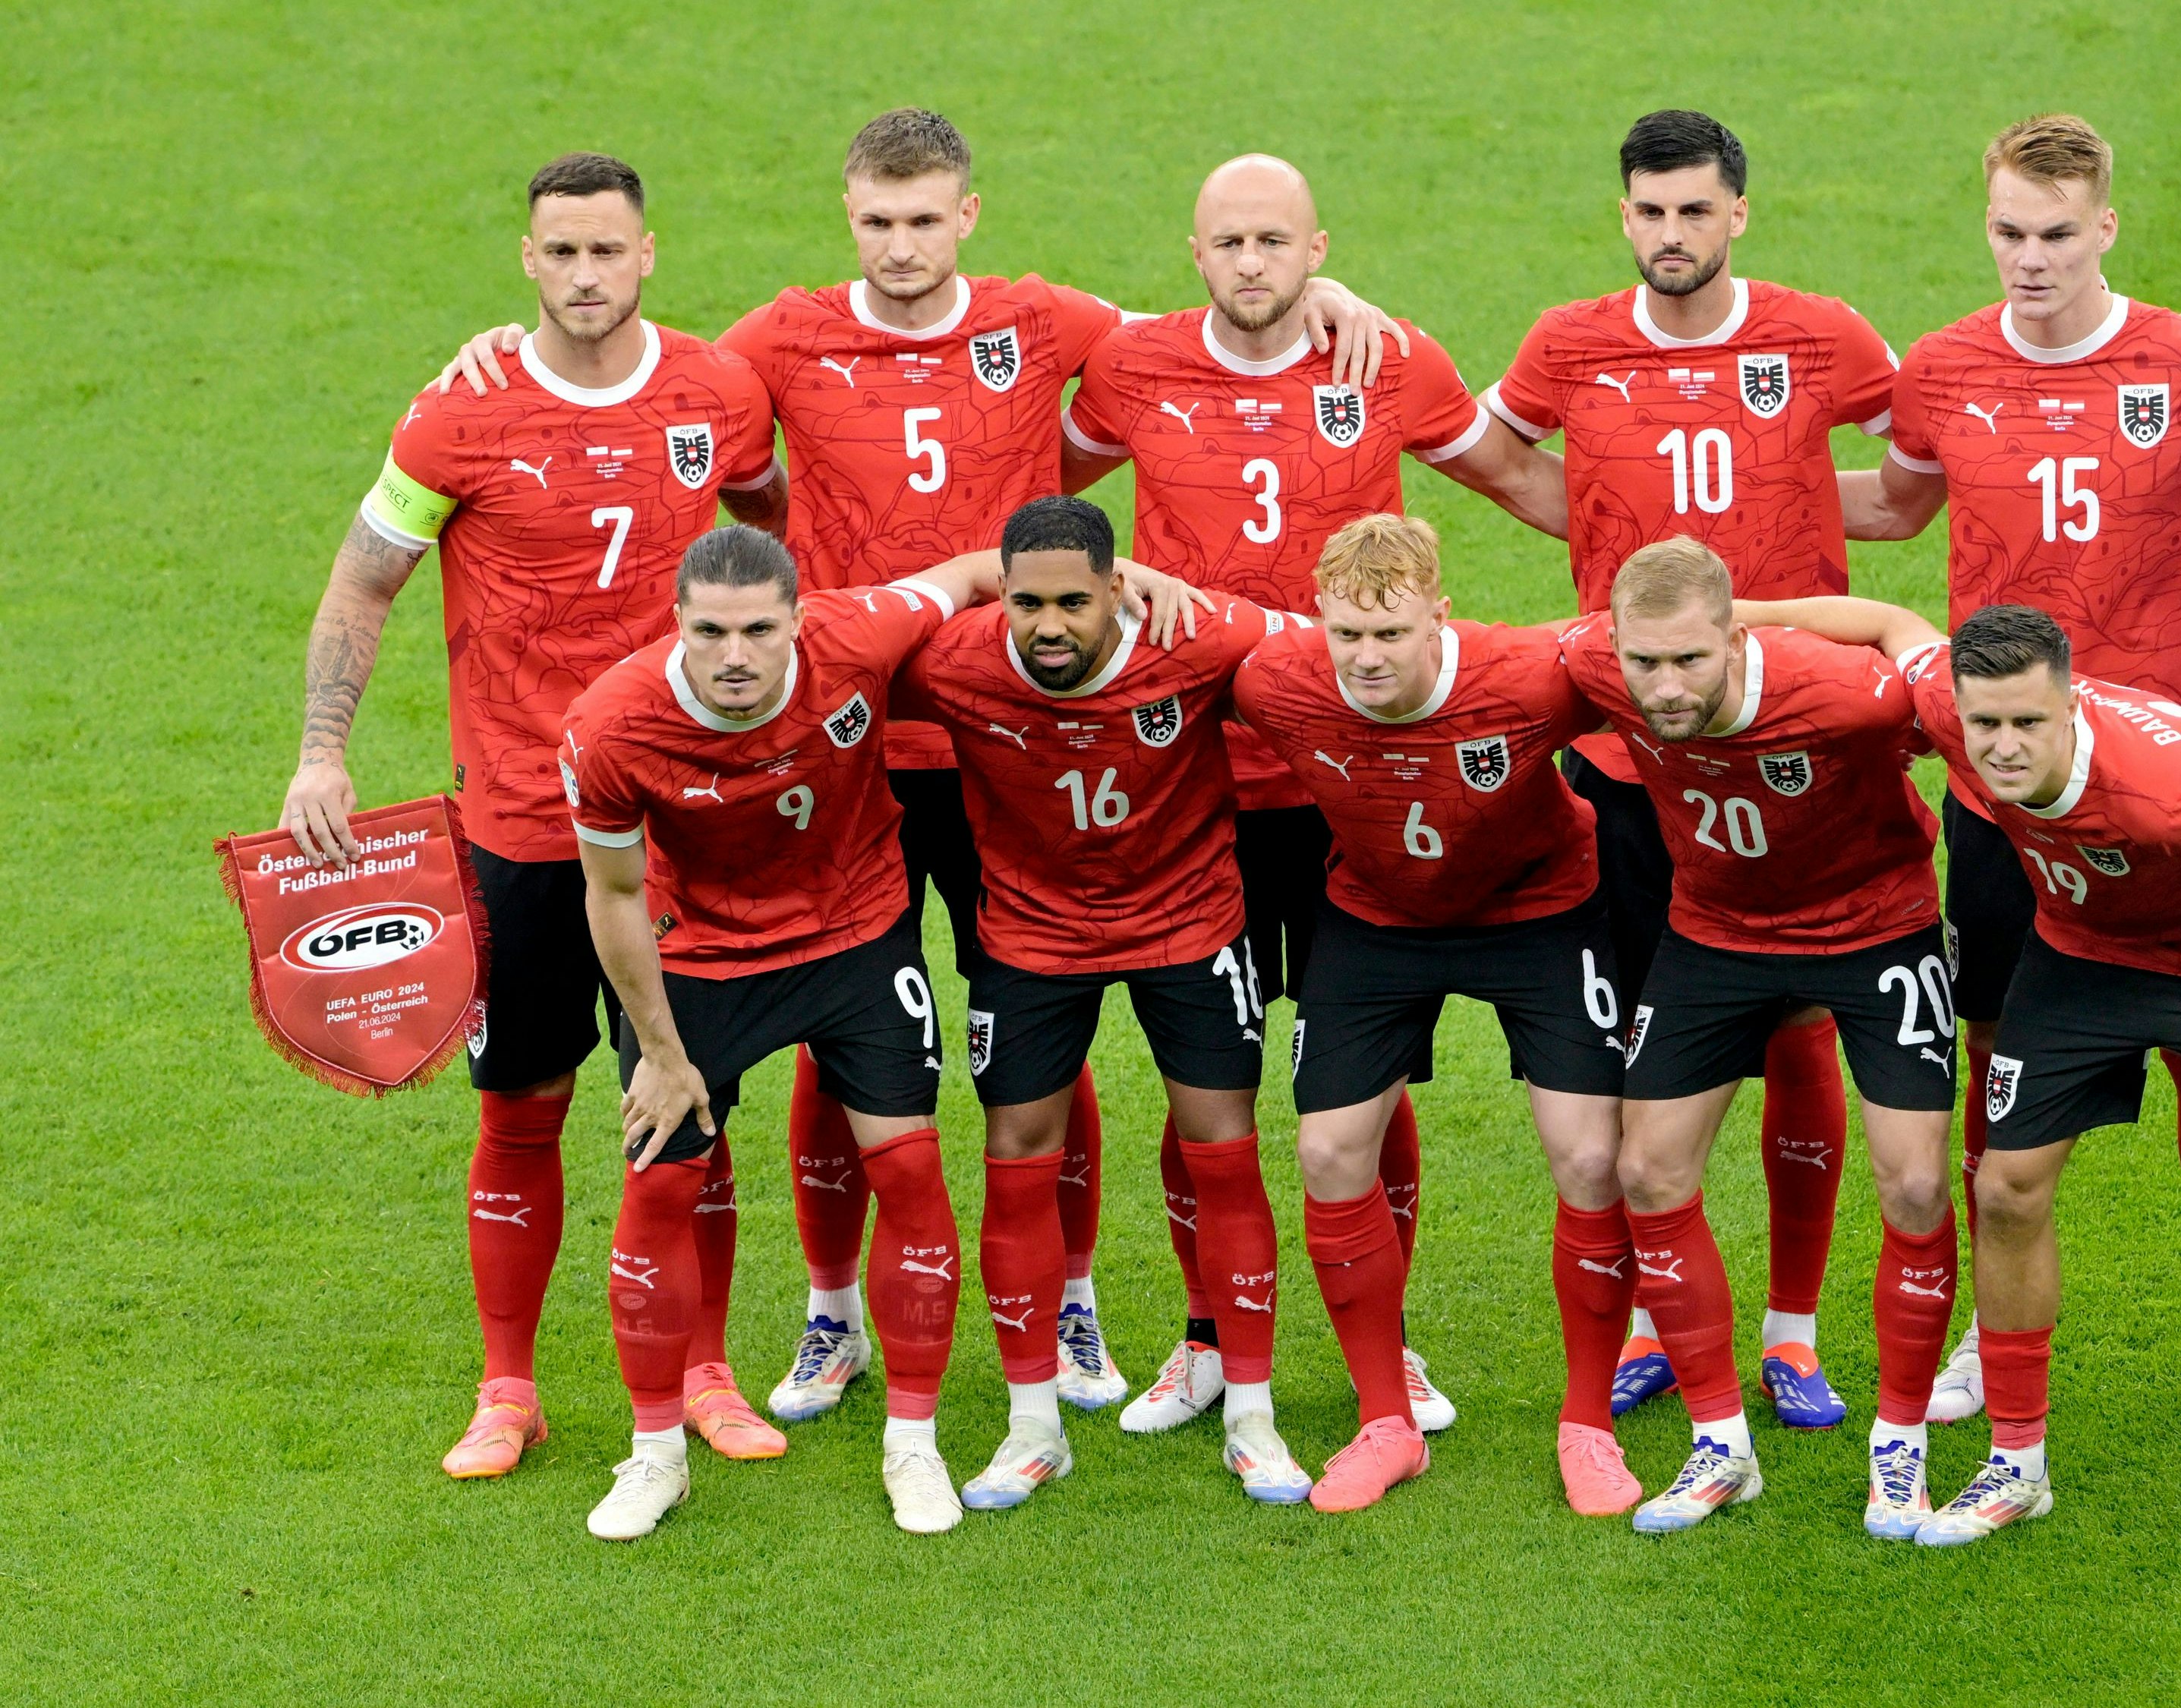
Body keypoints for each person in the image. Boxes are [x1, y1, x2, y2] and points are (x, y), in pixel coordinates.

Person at [430, 112, 1402, 1425]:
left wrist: (1318, 287)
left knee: (1037, 1012)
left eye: (926, 218)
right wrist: (515, 353)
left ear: (968, 215)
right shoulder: (777, 339)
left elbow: (1213, 326)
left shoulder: (1043, 318)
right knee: (840, 1026)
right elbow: (646, 379)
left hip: (1019, 726)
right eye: (879, 222)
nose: (902, 244)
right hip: (844, 741)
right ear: (850, 220)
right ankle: (833, 1314)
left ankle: (1066, 1301)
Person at [278, 152, 786, 1482]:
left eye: (606, 251)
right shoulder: (460, 409)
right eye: (559, 252)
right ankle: (510, 1386)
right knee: (522, 1101)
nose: (583, 276)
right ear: (527, 260)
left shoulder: (717, 392)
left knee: (690, 1100)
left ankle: (709, 1369)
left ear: (649, 253)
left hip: (684, 820)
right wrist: (321, 754)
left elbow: (773, 541)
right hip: (518, 822)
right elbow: (364, 580)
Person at [1063, 153, 1567, 1438]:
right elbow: (1024, 493)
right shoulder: (1130, 369)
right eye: (1227, 242)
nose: (1250, 265)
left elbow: (1521, 480)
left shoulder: (1385, 358)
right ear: (1194, 253)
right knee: (1206, 1076)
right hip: (1195, 780)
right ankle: (1206, 1338)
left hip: (1355, 782)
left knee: (1368, 1079)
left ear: (1316, 247)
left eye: (1275, 243)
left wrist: (1686, 579)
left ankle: (1385, 1336)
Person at [1838, 114, 2181, 1435]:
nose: (2029, 260)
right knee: (2000, 1052)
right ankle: (1994, 1324)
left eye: (2054, 235)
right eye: (2007, 234)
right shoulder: (1941, 369)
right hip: (2002, 789)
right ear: (1986, 226)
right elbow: (1896, 507)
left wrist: (2175, 550)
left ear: (2105, 228)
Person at [1789, 595, 2181, 1577]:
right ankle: (2017, 1462)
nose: (2003, 746)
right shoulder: (1951, 711)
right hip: (2082, 954)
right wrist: (1735, 612)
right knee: (2005, 1189)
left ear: (2070, 708)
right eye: (1986, 724)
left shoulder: (2171, 786)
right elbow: (1889, 624)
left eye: (2027, 723)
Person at [1483, 109, 1905, 1427]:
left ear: (1739, 214)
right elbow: (1499, 455)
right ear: (1627, 217)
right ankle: (1671, 1326)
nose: (1673, 235)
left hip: (1792, 751)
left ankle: (1789, 1333)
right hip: (1627, 763)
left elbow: (1914, 474)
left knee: (1796, 1041)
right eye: (1650, 212)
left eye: (1696, 211)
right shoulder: (1570, 343)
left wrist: (1787, 595)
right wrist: (1603, 534)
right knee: (1638, 1058)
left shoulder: (1820, 335)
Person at [558, 530, 998, 1538]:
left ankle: (914, 1445)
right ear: (678, 625)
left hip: (856, 937)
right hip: (702, 958)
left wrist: (1125, 583)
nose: (737, 653)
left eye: (760, 627)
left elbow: (974, 572)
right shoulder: (613, 725)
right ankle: (656, 1454)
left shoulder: (861, 633)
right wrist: (664, 1057)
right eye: (710, 630)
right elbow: (615, 895)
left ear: (798, 619)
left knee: (913, 1172)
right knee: (660, 1182)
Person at [893, 496, 1316, 1506]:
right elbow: (823, 655)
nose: (1048, 626)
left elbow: (1333, 653)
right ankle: (1034, 1426)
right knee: (1017, 1154)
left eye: (1073, 602)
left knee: (1224, 1143)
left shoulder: (1196, 636)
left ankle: (1251, 1412)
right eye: (1026, 601)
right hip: (1033, 938)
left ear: (1116, 588)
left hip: (1191, 923)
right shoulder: (957, 661)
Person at [1228, 515, 1636, 1516]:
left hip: (1541, 910)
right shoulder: (1275, 678)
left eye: (1391, 635)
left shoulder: (1534, 673)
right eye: (1346, 635)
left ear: (1439, 618)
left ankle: (1589, 1421)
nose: (1365, 658)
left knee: (1591, 1156)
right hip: (1376, 917)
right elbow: (1175, 632)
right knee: (1327, 1154)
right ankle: (1385, 1421)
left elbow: (1679, 653)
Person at [1550, 541, 1957, 1539]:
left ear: (1737, 640)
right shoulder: (1598, 667)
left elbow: (1938, 678)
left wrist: (1919, 646)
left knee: (1912, 1184)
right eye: (1644, 661)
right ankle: (1721, 1443)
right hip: (1716, 935)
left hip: (1876, 929)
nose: (1663, 684)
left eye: (1689, 659)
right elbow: (1459, 664)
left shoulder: (1851, 696)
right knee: (1647, 1170)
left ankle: (1899, 1452)